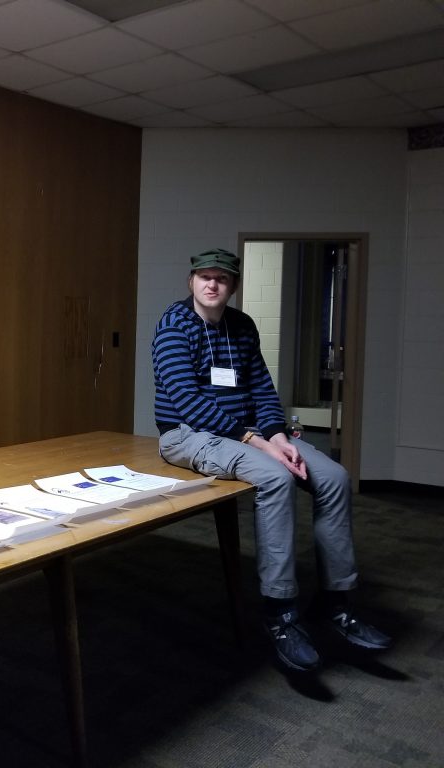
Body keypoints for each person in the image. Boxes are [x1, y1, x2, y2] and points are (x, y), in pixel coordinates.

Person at [151, 248, 390, 671]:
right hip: (188, 434)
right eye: (204, 276)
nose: (212, 284)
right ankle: (279, 611)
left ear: (233, 286)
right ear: (190, 281)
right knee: (276, 478)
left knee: (334, 476)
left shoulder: (242, 326)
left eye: (221, 279)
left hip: (253, 433)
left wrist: (277, 435)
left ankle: (335, 601)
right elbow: (186, 402)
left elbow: (262, 387)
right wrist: (259, 444)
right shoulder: (174, 327)